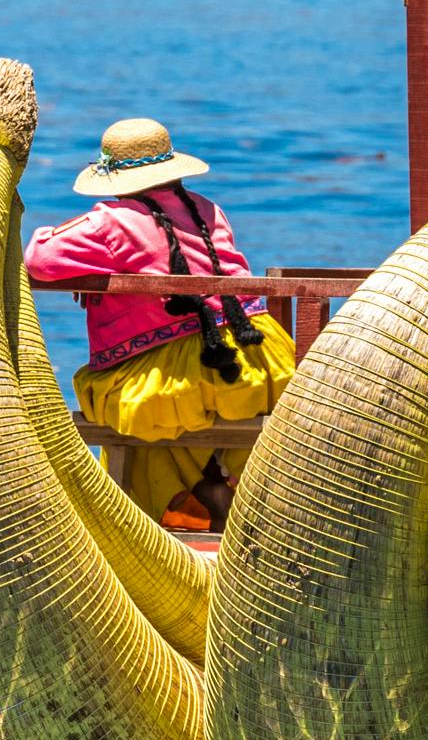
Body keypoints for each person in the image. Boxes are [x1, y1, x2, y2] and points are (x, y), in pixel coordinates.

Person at [24, 116, 297, 526]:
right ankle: (223, 496)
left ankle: (172, 516)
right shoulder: (208, 209)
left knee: (137, 407)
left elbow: (40, 260)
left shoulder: (108, 223)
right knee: (189, 414)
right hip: (259, 357)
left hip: (183, 369)